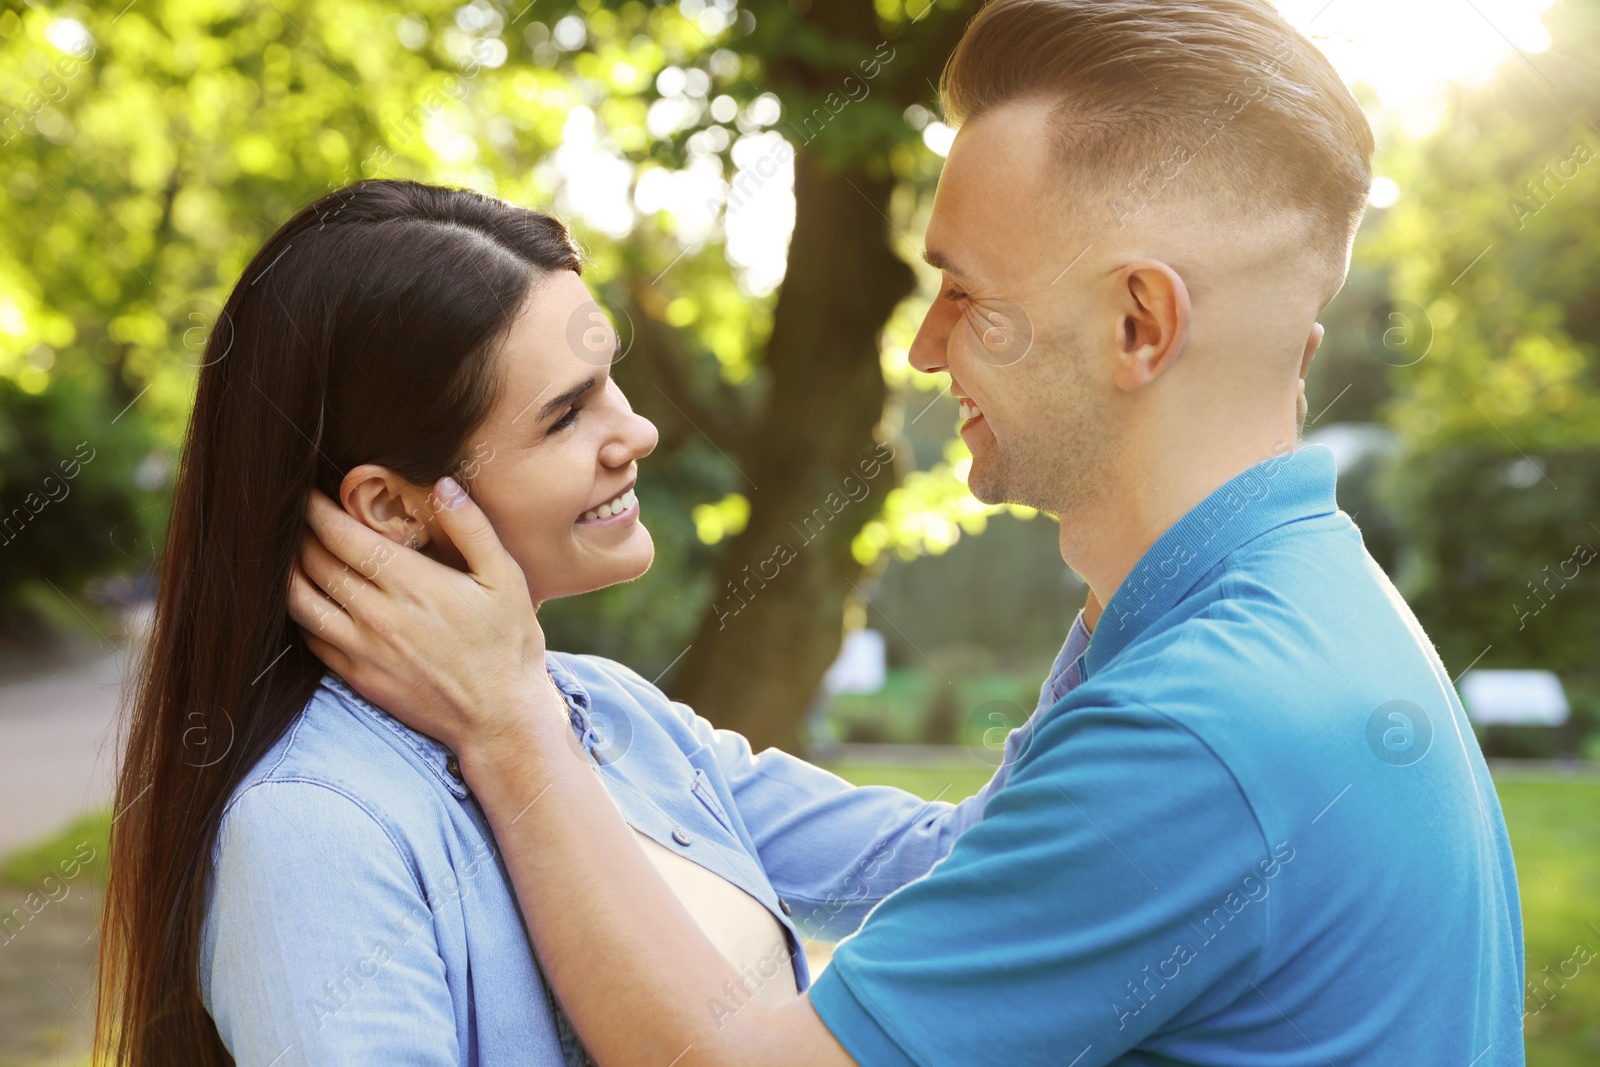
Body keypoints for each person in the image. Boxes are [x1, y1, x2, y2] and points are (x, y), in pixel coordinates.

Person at [289, 1, 1526, 1064]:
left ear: (1140, 325)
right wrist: (597, 726)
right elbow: (963, 857)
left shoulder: (1204, 724)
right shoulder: (1265, 604)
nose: (927, 348)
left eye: (965, 293)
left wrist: (510, 728)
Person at [93, 180, 1000, 1067]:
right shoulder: (315, 827)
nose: (638, 431)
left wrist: (1118, 548)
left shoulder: (610, 714)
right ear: (390, 507)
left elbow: (966, 865)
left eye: (611, 382)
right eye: (566, 414)